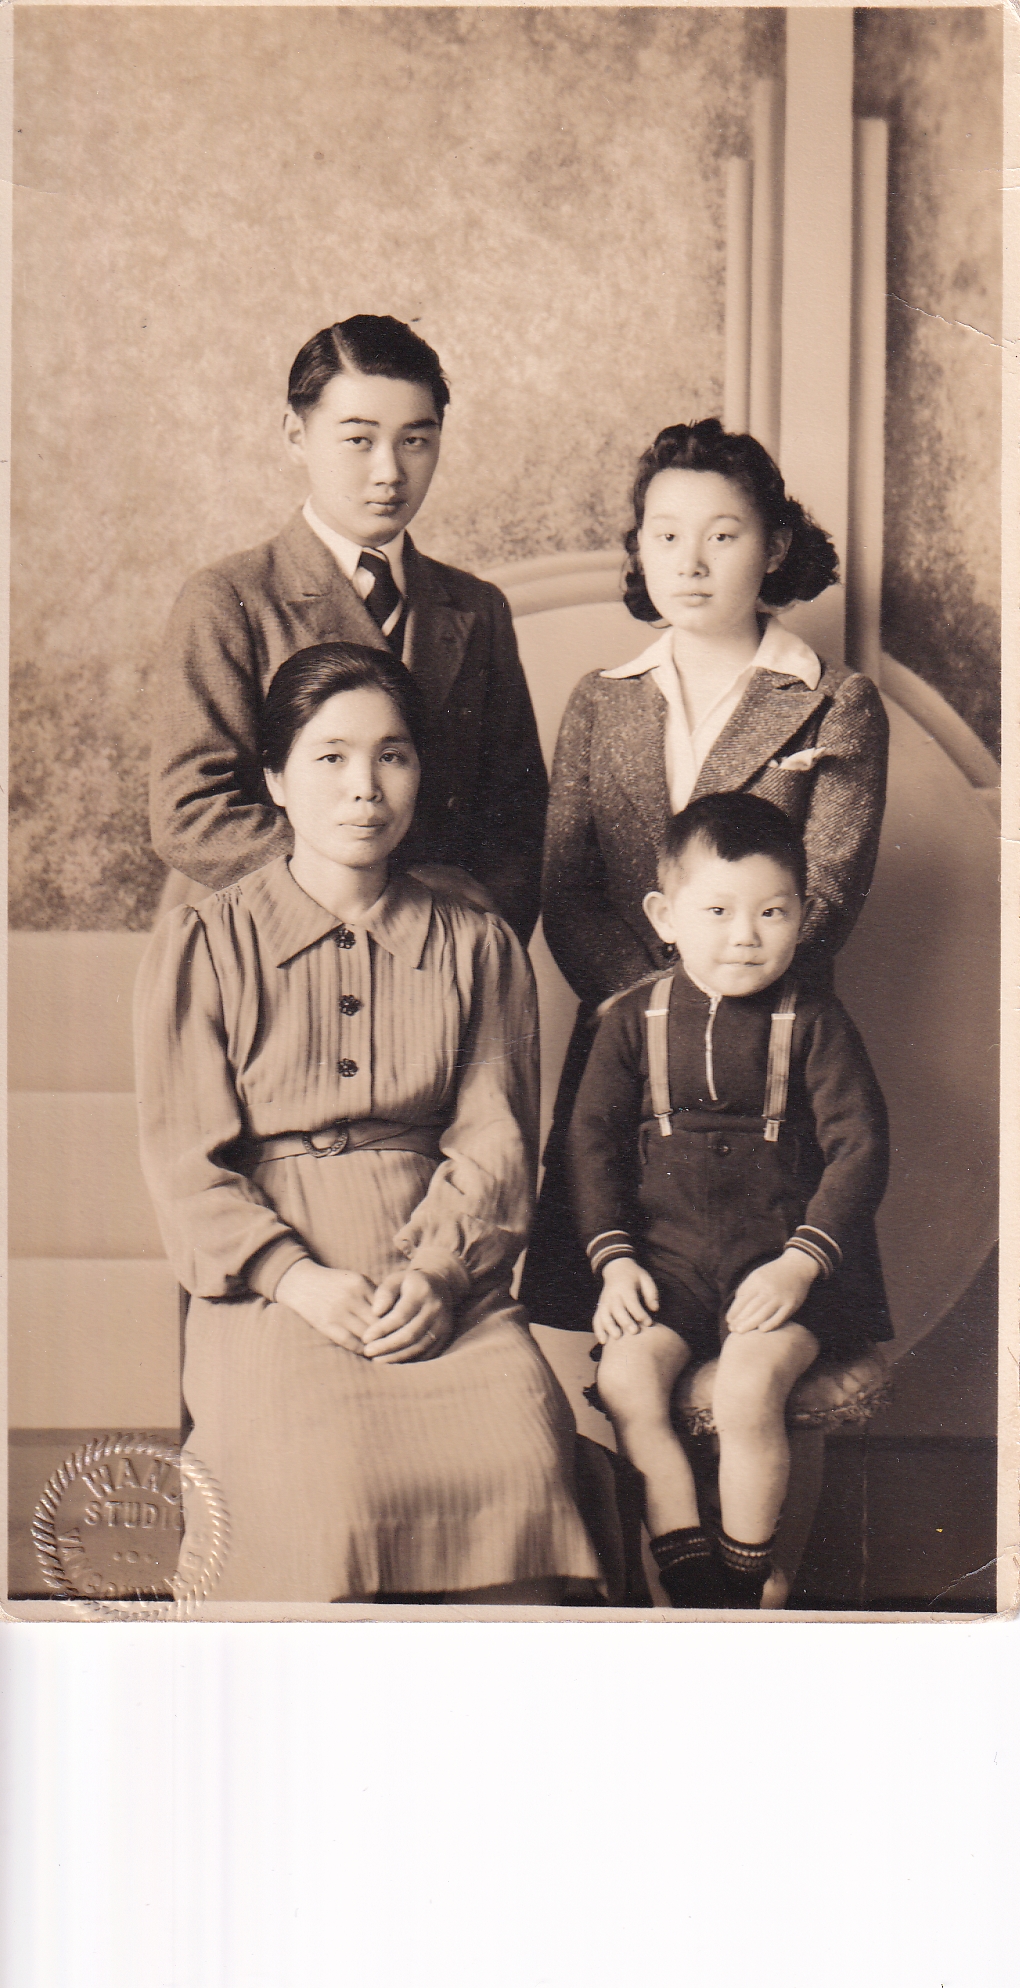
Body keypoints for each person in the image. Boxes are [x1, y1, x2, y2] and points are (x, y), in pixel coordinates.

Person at [135, 641, 602, 1603]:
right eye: (331, 757)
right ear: (274, 776)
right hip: (273, 1289)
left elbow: (494, 1142)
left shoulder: (474, 941)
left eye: (393, 755)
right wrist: (295, 1280)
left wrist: (437, 1273)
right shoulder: (208, 941)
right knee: (332, 1490)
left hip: (443, 1274)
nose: (365, 788)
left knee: (528, 1463)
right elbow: (187, 1164)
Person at [521, 416, 889, 1327]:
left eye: (722, 536)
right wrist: (655, 1014)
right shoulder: (602, 702)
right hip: (622, 1047)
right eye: (665, 535)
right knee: (635, 1328)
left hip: (777, 1048)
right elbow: (567, 889)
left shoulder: (834, 702)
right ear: (639, 549)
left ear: (775, 548)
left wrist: (721, 997)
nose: (690, 561)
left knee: (771, 1337)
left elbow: (828, 888)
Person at [567, 794, 892, 1609]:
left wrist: (799, 1263)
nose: (745, 934)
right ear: (664, 915)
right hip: (670, 1271)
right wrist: (613, 1266)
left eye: (771, 911)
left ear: (803, 916)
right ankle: (685, 1565)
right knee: (628, 1384)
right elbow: (592, 1144)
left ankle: (743, 1579)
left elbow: (861, 1146)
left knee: (748, 1388)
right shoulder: (629, 1022)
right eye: (717, 910)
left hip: (782, 1274)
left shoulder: (814, 1021)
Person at [149, 315, 547, 946]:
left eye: (415, 440)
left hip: (436, 955)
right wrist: (378, 894)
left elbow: (520, 820)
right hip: (270, 945)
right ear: (295, 435)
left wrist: (473, 940)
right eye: (359, 440)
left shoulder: (477, 608)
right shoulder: (229, 599)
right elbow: (192, 812)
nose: (389, 471)